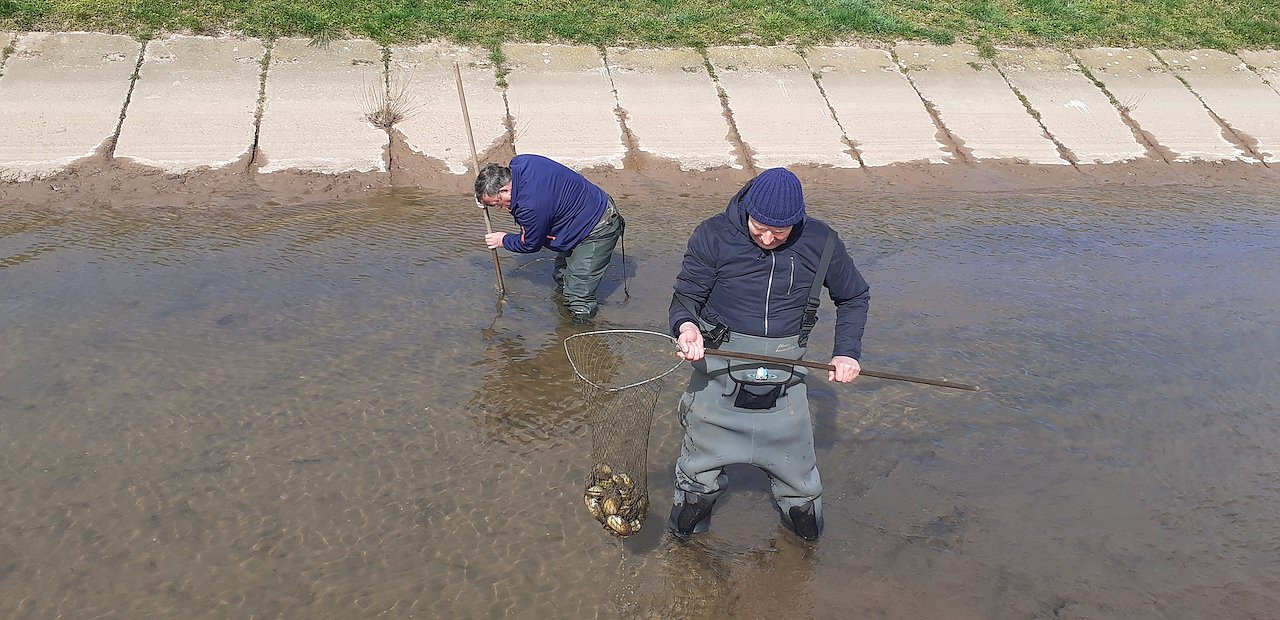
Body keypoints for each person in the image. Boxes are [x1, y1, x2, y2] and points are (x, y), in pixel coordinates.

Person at [666, 167, 870, 542]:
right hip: (718, 376)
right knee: (695, 486)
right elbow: (686, 298)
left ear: (797, 219)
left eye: (780, 231)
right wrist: (687, 328)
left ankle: (803, 550)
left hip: (786, 382)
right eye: (759, 227)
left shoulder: (822, 242)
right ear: (748, 210)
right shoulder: (713, 235)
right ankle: (684, 546)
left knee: (803, 499)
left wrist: (846, 353)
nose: (768, 238)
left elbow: (854, 297)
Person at [475, 154, 624, 324]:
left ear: (504, 191)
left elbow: (530, 244)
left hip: (597, 226)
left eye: (496, 204)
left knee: (578, 296)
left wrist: (503, 240)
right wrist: (482, 198)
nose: (498, 207)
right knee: (561, 276)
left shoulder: (530, 206)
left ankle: (581, 330)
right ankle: (564, 317)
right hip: (579, 212)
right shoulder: (522, 162)